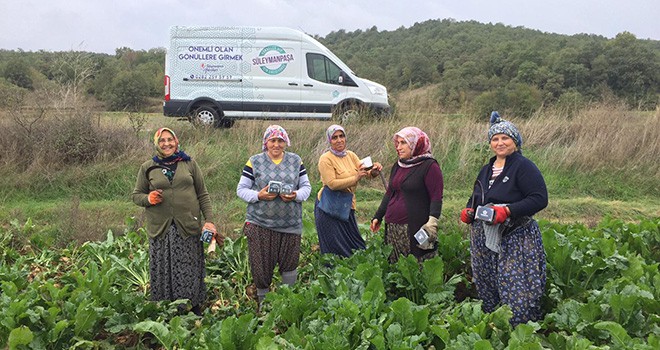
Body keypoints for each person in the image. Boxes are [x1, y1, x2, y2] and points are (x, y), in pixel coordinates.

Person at [459, 111, 548, 326]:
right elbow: (477, 196)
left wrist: (508, 211)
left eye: (505, 138)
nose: (500, 143)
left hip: (514, 236)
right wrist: (469, 210)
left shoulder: (523, 166)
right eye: (495, 139)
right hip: (484, 235)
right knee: (486, 278)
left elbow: (539, 199)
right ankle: (494, 322)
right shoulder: (486, 169)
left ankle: (520, 330)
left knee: (516, 283)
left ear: (515, 142)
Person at [131, 127, 217, 315]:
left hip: (187, 225)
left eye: (170, 139)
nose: (166, 143)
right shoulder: (148, 167)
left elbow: (203, 194)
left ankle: (192, 308)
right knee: (163, 268)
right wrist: (148, 199)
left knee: (189, 267)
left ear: (176, 142)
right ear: (156, 144)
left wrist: (209, 220)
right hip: (161, 228)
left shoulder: (189, 164)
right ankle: (166, 309)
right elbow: (137, 195)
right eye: (162, 140)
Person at [236, 125, 312, 304]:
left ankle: (287, 304)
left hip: (290, 223)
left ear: (286, 142)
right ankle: (264, 307)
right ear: (266, 142)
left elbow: (306, 187)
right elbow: (241, 189)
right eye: (273, 140)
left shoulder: (295, 160)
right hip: (260, 223)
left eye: (280, 140)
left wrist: (295, 196)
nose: (276, 145)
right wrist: (258, 195)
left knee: (290, 264)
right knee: (261, 267)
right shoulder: (254, 161)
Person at [370, 126, 444, 263]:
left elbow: (436, 196)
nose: (398, 147)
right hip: (394, 228)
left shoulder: (429, 166)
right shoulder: (398, 165)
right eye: (397, 143)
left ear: (416, 144)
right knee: (397, 266)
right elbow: (390, 193)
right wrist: (378, 216)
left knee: (418, 264)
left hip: (416, 227)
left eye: (403, 143)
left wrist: (432, 221)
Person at [315, 125, 384, 257]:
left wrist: (373, 171)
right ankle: (333, 276)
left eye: (342, 136)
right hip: (329, 207)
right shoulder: (326, 159)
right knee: (334, 248)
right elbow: (332, 184)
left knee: (355, 244)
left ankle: (352, 273)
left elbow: (365, 172)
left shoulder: (351, 155)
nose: (339, 140)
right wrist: (355, 177)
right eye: (335, 137)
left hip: (347, 205)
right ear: (330, 140)